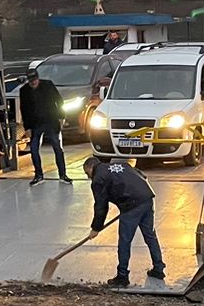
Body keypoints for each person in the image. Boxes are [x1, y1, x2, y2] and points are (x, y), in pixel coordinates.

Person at [84, 156, 166, 286]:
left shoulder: (98, 178)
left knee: (125, 241)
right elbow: (142, 176)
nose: (89, 177)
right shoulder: (123, 165)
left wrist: (96, 228)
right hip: (147, 198)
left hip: (132, 206)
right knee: (150, 236)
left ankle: (122, 276)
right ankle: (158, 268)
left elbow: (101, 206)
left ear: (90, 168)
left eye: (87, 174)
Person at [18, 67, 70, 185]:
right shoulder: (24, 91)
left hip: (51, 121)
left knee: (57, 147)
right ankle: (38, 175)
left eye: (35, 80)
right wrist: (27, 128)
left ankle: (63, 174)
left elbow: (59, 100)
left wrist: (62, 117)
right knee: (34, 150)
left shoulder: (48, 85)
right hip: (35, 124)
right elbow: (24, 110)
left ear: (38, 78)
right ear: (28, 81)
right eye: (31, 81)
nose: (34, 83)